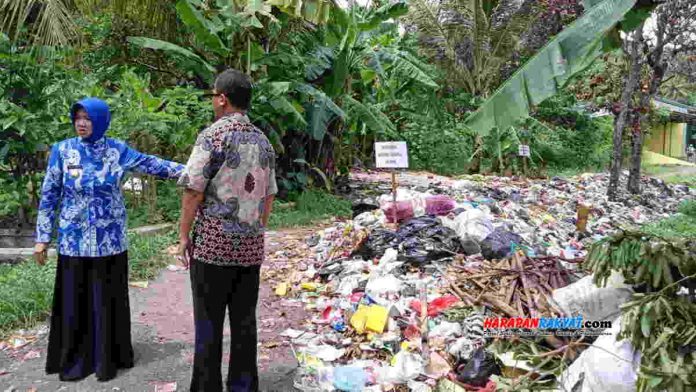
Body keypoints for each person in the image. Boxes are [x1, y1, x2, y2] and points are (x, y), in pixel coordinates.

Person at [34, 97, 185, 382]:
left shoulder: (117, 150)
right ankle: (75, 359)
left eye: (88, 118)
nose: (81, 123)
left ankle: (108, 358)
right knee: (75, 300)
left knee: (106, 300)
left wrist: (193, 171)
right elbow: (49, 194)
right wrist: (42, 238)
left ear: (100, 121)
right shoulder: (63, 151)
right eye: (78, 117)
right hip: (73, 242)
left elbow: (152, 164)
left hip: (110, 241)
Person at [178, 69, 277, 392]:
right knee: (244, 323)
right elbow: (269, 194)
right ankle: (244, 387)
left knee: (209, 324)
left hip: (213, 248)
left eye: (213, 95)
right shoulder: (263, 141)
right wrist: (257, 230)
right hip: (249, 249)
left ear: (222, 99)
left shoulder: (212, 136)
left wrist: (183, 236)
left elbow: (193, 189)